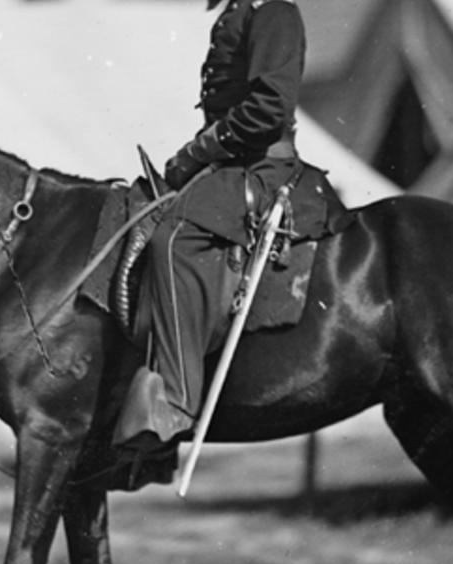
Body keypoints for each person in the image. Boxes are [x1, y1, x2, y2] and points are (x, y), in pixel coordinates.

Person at [113, 0, 309, 463]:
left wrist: (198, 151)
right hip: (232, 163)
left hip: (264, 166)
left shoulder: (273, 11)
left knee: (177, 236)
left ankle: (174, 401)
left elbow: (269, 108)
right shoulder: (240, 11)